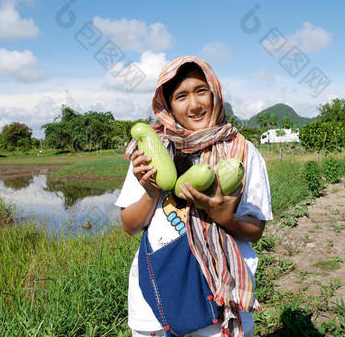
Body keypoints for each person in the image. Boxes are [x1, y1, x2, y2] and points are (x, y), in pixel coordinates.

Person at [115, 55, 272, 337]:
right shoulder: (149, 152)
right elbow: (129, 225)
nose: (194, 104)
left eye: (201, 91)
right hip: (157, 289)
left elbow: (255, 229)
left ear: (215, 93)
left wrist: (225, 218)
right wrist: (152, 193)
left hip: (218, 291)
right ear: (168, 105)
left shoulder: (244, 153)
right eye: (181, 96)